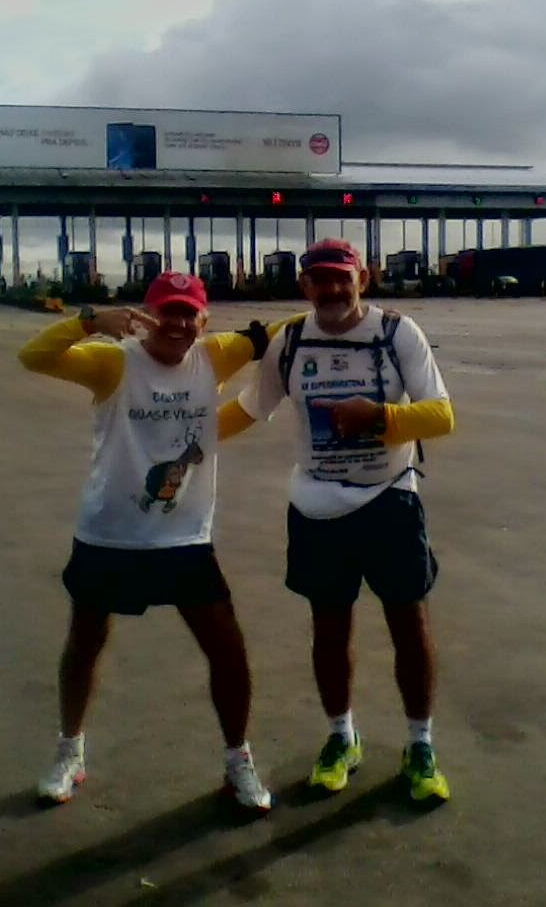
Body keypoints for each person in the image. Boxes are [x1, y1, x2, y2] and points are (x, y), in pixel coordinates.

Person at [18, 273, 296, 811]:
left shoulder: (215, 356)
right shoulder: (114, 362)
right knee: (85, 642)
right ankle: (69, 750)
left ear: (203, 319)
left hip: (184, 538)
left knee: (227, 649)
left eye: (189, 313)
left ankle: (238, 760)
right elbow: (34, 357)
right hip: (110, 533)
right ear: (146, 316)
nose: (178, 324)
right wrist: (89, 321)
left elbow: (281, 331)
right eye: (168, 312)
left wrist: (364, 313)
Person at [218, 237, 456, 803]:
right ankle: (341, 737)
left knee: (409, 626)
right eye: (319, 279)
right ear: (304, 285)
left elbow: (441, 415)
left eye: (340, 278)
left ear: (362, 280)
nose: (330, 289)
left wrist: (380, 418)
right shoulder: (290, 340)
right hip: (317, 506)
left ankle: (420, 744)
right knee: (329, 629)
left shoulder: (397, 332)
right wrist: (182, 437)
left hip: (389, 500)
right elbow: (250, 408)